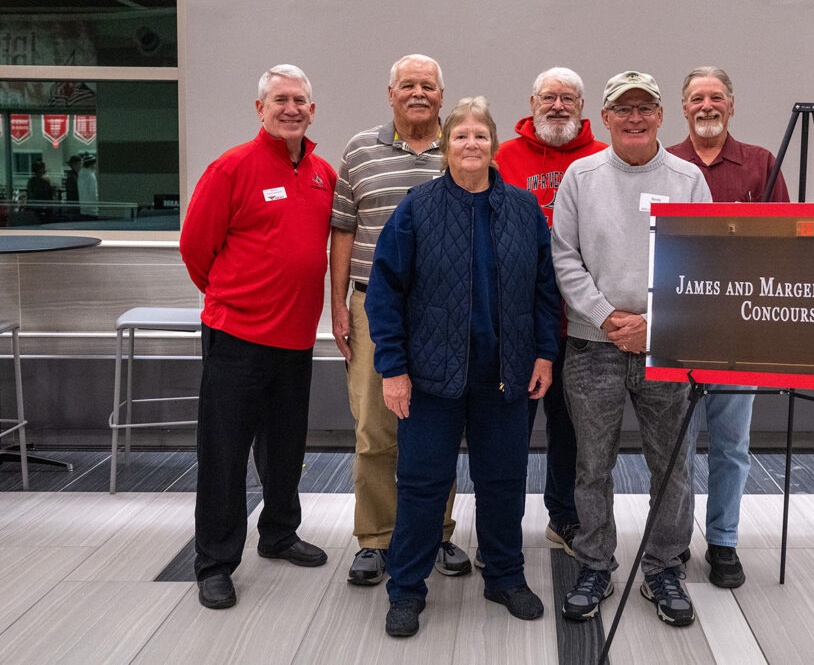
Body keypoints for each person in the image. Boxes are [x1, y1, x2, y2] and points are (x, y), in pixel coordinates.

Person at [366, 96, 561, 637]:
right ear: (446, 146)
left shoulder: (523, 209)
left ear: (494, 145)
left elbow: (546, 291)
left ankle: (504, 575)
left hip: (507, 374)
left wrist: (545, 353)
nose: (470, 144)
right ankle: (405, 589)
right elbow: (384, 294)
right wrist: (394, 367)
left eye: (480, 135)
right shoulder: (417, 207)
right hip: (431, 376)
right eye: (460, 136)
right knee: (423, 485)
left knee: (503, 482)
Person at [551, 71, 712, 628]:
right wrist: (605, 314)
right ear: (605, 117)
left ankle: (665, 568)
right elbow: (563, 257)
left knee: (673, 466)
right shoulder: (580, 175)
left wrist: (654, 322)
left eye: (645, 108)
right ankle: (595, 563)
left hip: (666, 346)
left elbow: (703, 263)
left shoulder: (689, 179)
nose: (635, 118)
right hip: (592, 346)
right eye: (624, 109)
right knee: (591, 465)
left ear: (661, 115)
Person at [180, 64, 335, 610]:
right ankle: (215, 562)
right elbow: (196, 249)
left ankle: (279, 533)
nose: (291, 108)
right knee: (224, 455)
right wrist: (232, 299)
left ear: (312, 111)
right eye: (280, 99)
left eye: (300, 100)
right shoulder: (231, 168)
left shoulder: (323, 174)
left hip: (296, 340)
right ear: (260, 108)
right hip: (238, 338)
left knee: (285, 449)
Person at [329, 54, 471, 587]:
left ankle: (435, 530)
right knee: (374, 427)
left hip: (444, 311)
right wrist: (338, 304)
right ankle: (377, 537)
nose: (418, 93)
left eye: (428, 86)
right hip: (372, 308)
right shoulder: (360, 151)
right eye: (407, 85)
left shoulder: (461, 147)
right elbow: (343, 228)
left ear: (442, 95)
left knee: (438, 426)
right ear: (390, 94)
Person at [667, 66, 789, 589]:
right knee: (671, 447)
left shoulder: (762, 164)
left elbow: (787, 241)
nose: (707, 105)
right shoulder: (662, 162)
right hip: (677, 327)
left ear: (732, 105)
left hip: (740, 329)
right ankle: (670, 545)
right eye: (697, 98)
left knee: (731, 443)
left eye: (716, 96)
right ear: (684, 107)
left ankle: (723, 541)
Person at [494, 66, 606, 557]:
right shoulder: (504, 157)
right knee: (508, 432)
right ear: (532, 101)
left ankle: (564, 518)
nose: (558, 106)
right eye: (549, 98)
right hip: (516, 324)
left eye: (568, 98)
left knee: (572, 432)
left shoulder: (603, 158)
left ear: (581, 108)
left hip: (582, 324)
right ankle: (500, 532)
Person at [78, 154, 99, 218]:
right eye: (95, 164)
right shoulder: (91, 176)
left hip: (83, 208)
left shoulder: (81, 174)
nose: (96, 166)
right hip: (92, 209)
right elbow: (93, 192)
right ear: (91, 164)